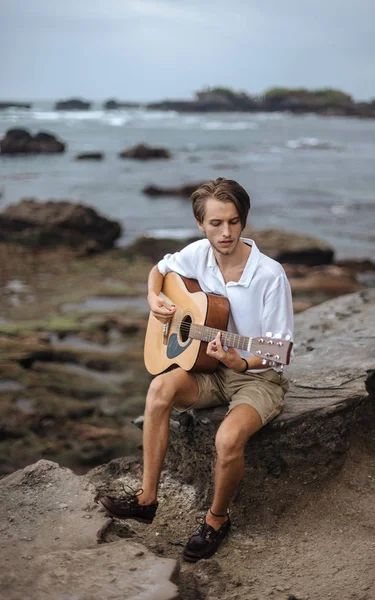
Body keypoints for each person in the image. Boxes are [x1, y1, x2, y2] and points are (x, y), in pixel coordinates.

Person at [100, 177, 294, 562]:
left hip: (256, 376)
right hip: (208, 370)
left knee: (226, 441)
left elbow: (280, 351)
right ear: (200, 224)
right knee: (159, 389)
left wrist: (241, 361)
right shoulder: (197, 254)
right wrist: (154, 297)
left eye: (234, 222)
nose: (226, 233)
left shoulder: (270, 275)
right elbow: (160, 268)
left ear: (243, 220)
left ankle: (217, 519)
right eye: (216, 224)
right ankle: (147, 498)